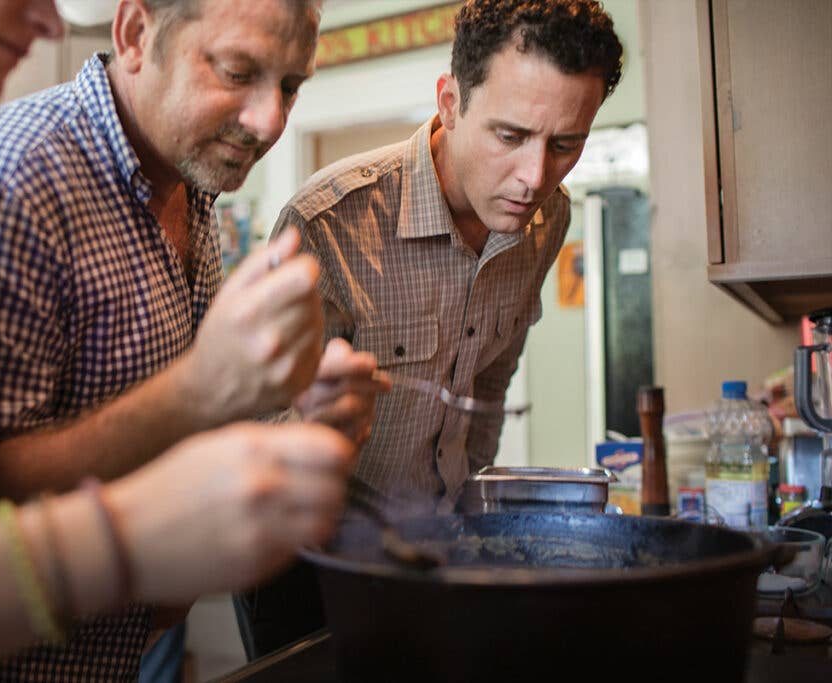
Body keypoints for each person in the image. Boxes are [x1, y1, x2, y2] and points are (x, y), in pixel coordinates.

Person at [0, 0, 358, 681]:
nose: (271, 120)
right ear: (134, 35)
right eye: (236, 70)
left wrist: (287, 412)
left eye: (290, 86)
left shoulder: (191, 177)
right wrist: (124, 530)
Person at [235, 0, 625, 660]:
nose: (534, 178)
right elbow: (250, 442)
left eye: (565, 144)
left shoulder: (547, 222)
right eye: (509, 136)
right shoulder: (329, 226)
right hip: (310, 566)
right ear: (449, 102)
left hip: (438, 556)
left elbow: (491, 380)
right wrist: (314, 424)